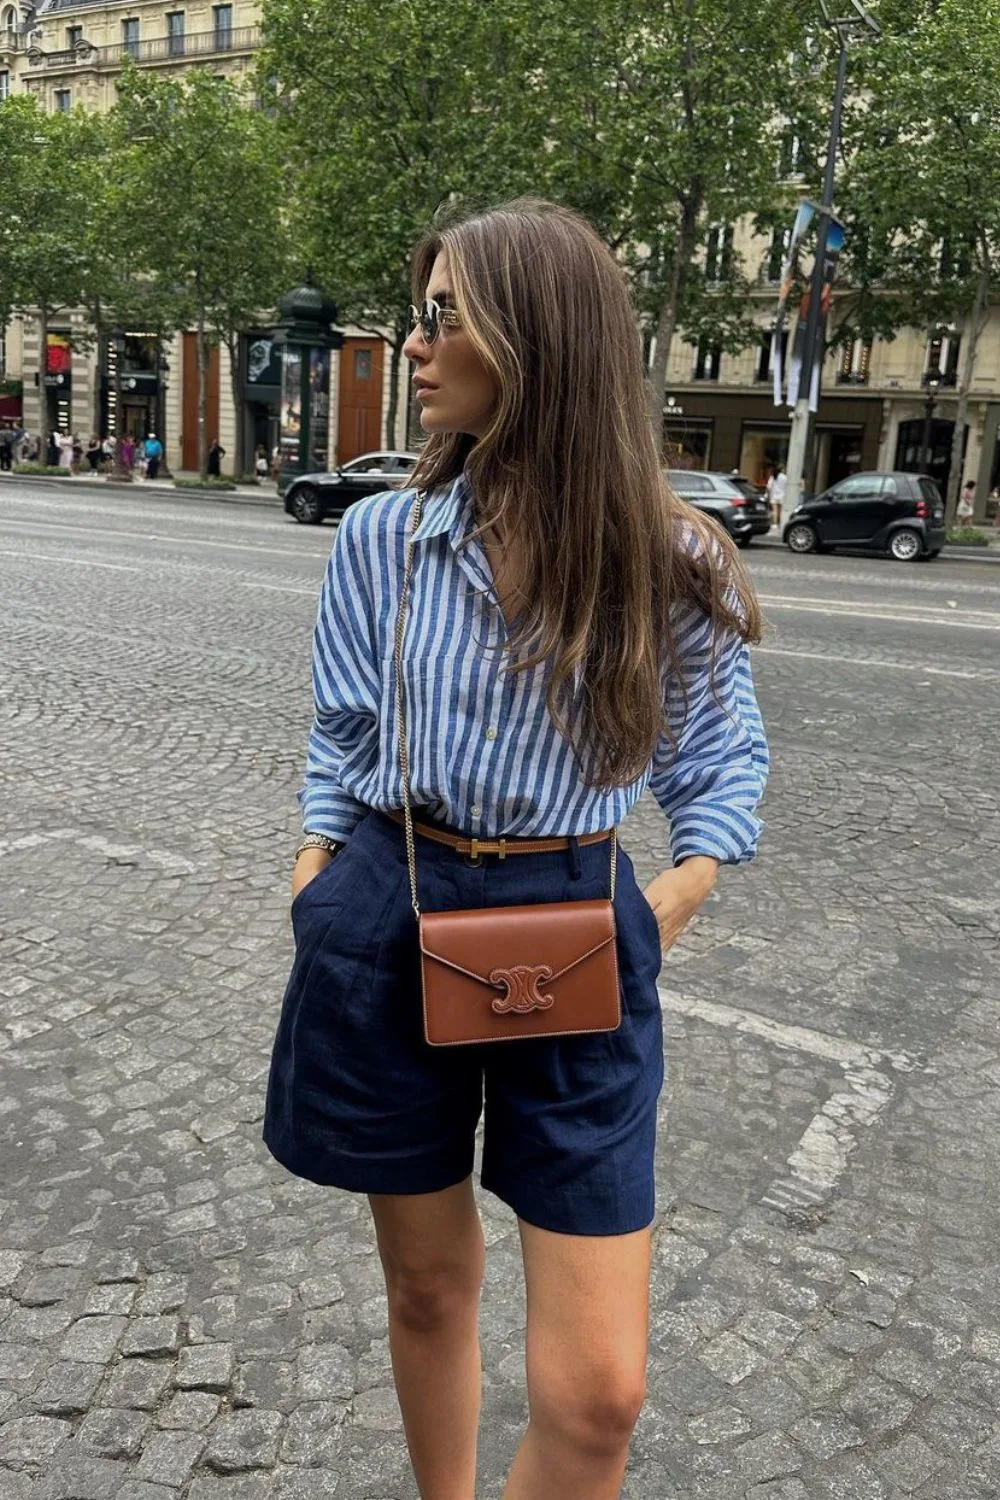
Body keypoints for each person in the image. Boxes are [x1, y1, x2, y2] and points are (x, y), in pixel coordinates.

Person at [263, 198, 769, 1499]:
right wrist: (323, 858)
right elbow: (341, 726)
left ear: (535, 337)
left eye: (442, 317)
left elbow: (718, 766)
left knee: (598, 1397)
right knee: (429, 1288)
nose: (414, 345)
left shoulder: (666, 557)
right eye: (416, 314)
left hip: (577, 924)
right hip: (396, 891)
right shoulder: (381, 539)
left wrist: (672, 895)